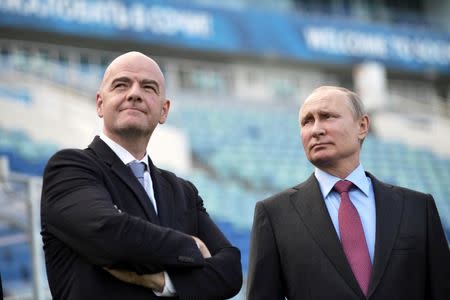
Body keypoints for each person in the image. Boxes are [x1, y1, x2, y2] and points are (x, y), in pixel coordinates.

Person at [40, 51, 242, 299]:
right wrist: (193, 246)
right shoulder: (69, 169)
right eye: (121, 85)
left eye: (148, 87)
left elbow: (230, 270)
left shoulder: (183, 191)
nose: (134, 93)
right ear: (100, 103)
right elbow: (110, 235)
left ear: (164, 110)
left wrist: (164, 282)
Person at [247, 86, 450, 299]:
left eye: (327, 117)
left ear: (362, 126)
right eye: (307, 121)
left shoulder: (418, 207)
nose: (316, 129)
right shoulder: (274, 214)